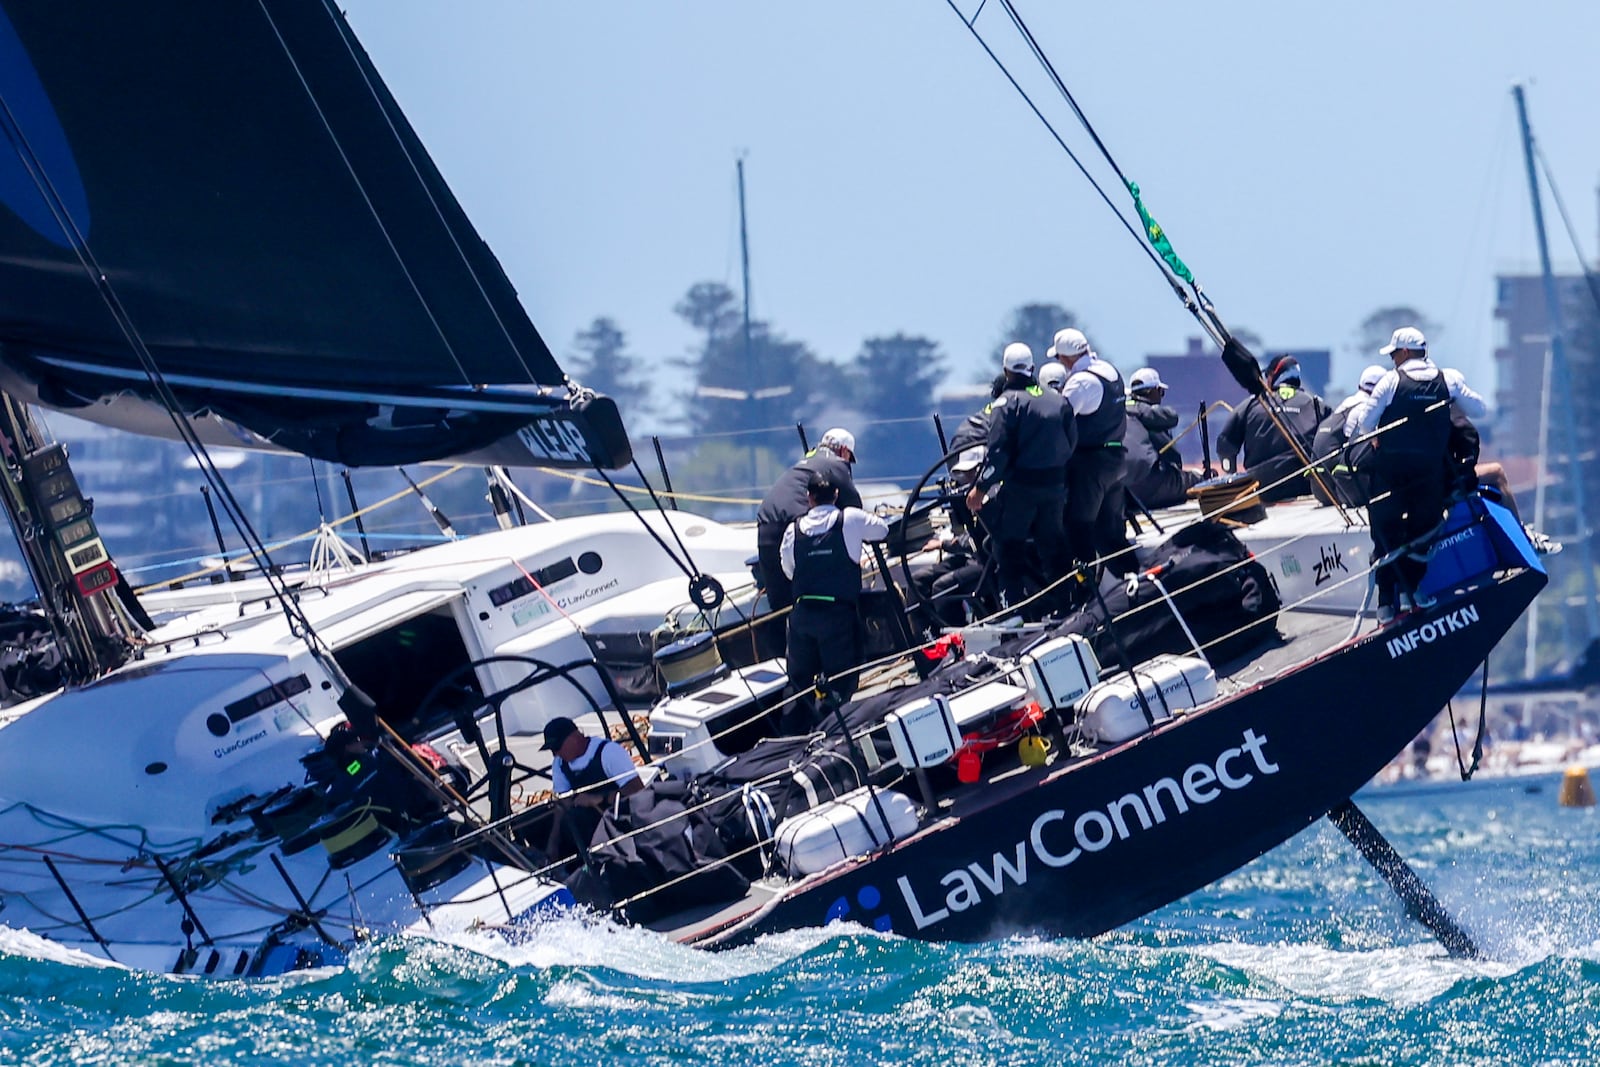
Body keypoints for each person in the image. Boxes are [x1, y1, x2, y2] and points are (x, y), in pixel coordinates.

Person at [1355, 326, 1482, 620]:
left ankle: (1387, 601)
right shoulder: (1447, 380)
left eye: (1394, 354)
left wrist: (1378, 435)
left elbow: (1365, 422)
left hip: (1391, 473)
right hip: (1429, 473)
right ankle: (1411, 588)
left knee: (1385, 534)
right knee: (1424, 531)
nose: (1393, 360)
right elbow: (1480, 410)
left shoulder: (1390, 381)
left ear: (1404, 352)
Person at [965, 342, 1076, 616]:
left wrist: (980, 489)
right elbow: (1071, 442)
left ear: (1005, 371)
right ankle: (1066, 606)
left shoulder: (1005, 404)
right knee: (1054, 549)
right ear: (1032, 369)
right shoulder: (1057, 400)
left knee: (1008, 548)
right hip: (1055, 488)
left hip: (1021, 491)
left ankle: (1013, 612)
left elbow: (998, 453)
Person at [780, 472, 889, 728]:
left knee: (798, 682)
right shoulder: (849, 518)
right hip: (837, 615)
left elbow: (789, 570)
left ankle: (793, 735)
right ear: (836, 495)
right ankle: (834, 733)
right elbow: (882, 530)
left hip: (802, 615)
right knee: (841, 680)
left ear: (809, 498)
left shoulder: (792, 530)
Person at [1054, 328, 1134, 580]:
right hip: (1116, 459)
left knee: (1076, 528)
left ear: (1066, 358)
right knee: (1109, 532)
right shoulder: (1110, 371)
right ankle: (1135, 579)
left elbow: (1059, 421)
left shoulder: (1080, 382)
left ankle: (1084, 592)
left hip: (1090, 465)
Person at [756, 427, 861, 612]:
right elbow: (854, 509)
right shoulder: (837, 464)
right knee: (815, 600)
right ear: (845, 451)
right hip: (793, 526)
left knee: (780, 607)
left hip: (766, 524)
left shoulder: (808, 460)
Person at [1216, 354, 1330, 502]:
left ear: (1272, 376)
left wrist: (1230, 476)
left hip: (1260, 488)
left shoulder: (1250, 405)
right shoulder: (1318, 406)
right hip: (1304, 486)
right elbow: (1331, 442)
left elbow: (1225, 446)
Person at [542, 715, 644, 862]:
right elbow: (562, 805)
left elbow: (639, 792)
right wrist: (553, 842)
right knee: (535, 821)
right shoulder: (559, 764)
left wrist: (599, 799)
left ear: (575, 738)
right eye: (552, 750)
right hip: (582, 826)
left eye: (557, 748)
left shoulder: (609, 753)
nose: (555, 754)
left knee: (577, 820)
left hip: (616, 821)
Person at [1309, 364, 1386, 507]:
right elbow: (1356, 446)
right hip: (1340, 489)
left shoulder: (1347, 404)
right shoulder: (1364, 407)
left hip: (1319, 487)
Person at [1122, 367, 1198, 510]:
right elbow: (1171, 419)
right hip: (1150, 484)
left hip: (1122, 490)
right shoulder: (1146, 414)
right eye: (1161, 392)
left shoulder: (1117, 412)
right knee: (1198, 480)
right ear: (1152, 391)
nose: (1162, 397)